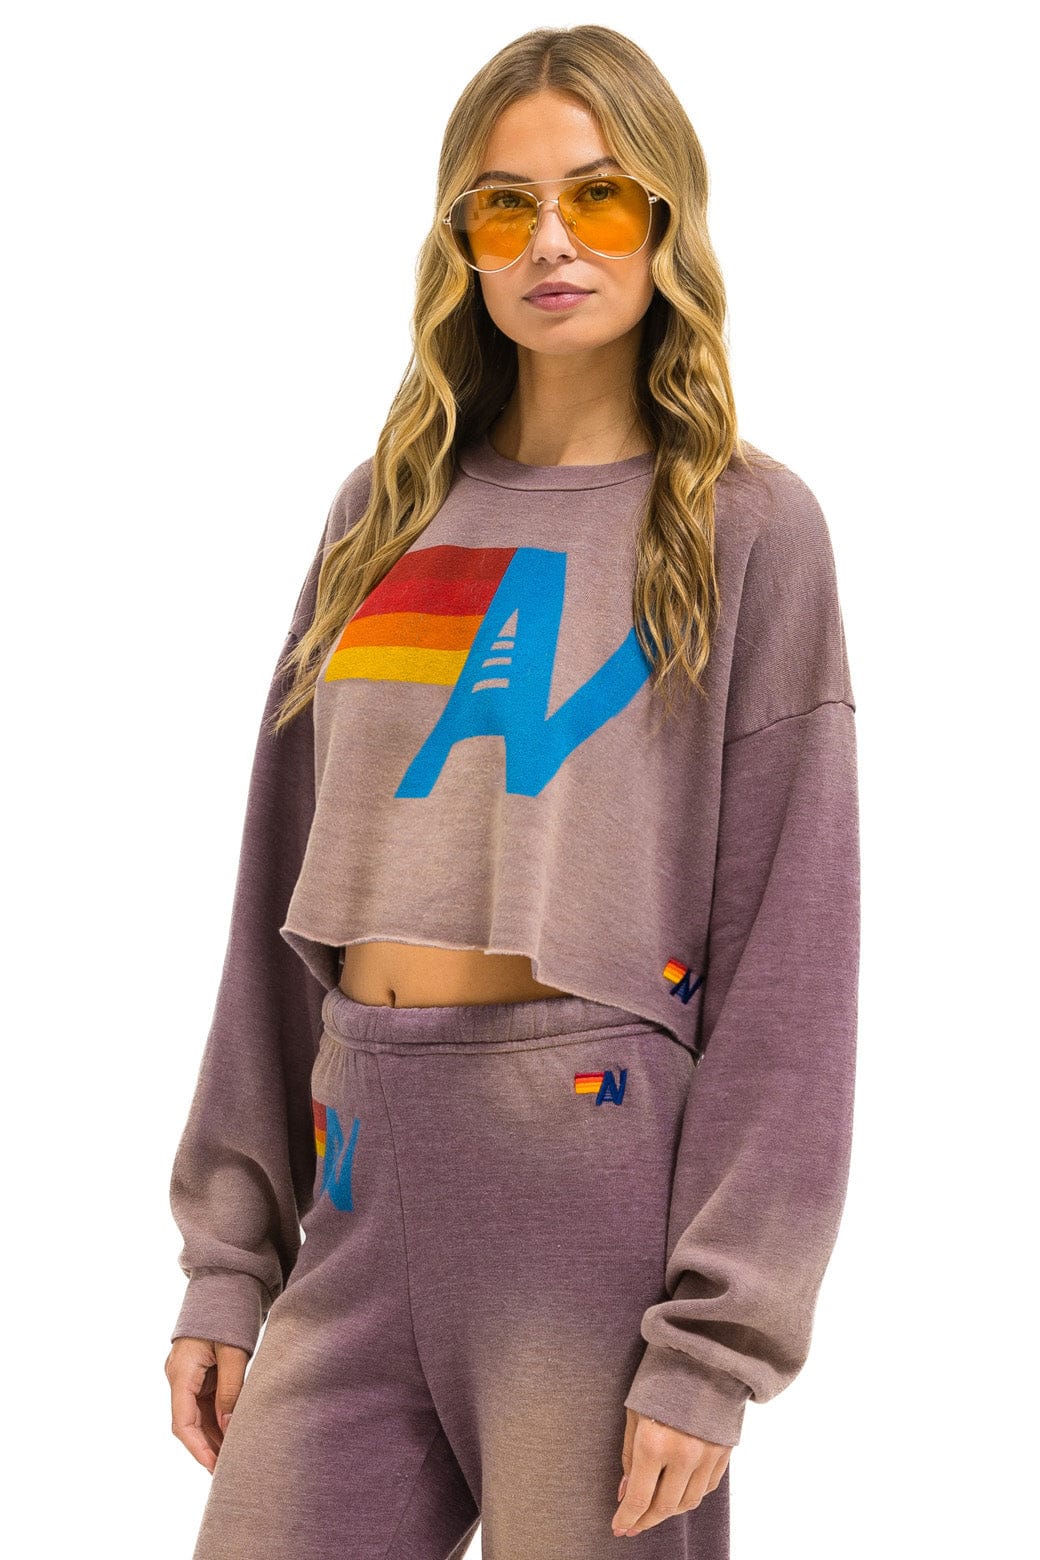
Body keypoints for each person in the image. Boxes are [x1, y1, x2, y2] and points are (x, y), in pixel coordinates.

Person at [164, 23, 860, 1560]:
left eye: (598, 196)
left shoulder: (746, 526)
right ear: (460, 242)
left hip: (588, 1198)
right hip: (359, 1175)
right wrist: (228, 1257)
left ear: (666, 218)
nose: (552, 241)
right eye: (505, 205)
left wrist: (716, 1344)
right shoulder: (386, 513)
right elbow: (278, 891)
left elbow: (791, 951)